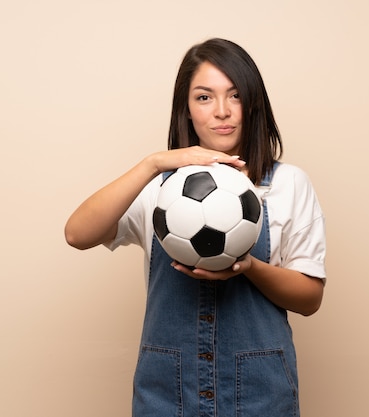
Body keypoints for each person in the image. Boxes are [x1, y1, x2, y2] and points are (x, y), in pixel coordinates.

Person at [65, 38, 326, 417]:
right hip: (167, 393)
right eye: (204, 97)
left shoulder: (289, 185)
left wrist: (249, 268)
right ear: (186, 110)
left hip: (259, 392)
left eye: (234, 95)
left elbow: (310, 298)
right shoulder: (159, 189)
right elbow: (77, 234)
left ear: (252, 103)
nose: (221, 111)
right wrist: (152, 163)